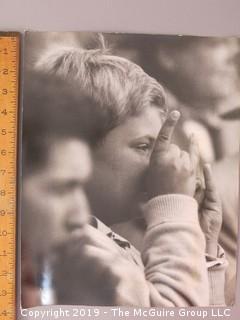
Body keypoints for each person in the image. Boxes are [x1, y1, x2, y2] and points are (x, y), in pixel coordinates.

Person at [32, 44, 226, 306]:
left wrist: (201, 244)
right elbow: (177, 312)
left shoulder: (106, 240)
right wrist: (175, 211)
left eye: (160, 147)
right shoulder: (77, 255)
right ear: (75, 148)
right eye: (144, 147)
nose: (160, 165)